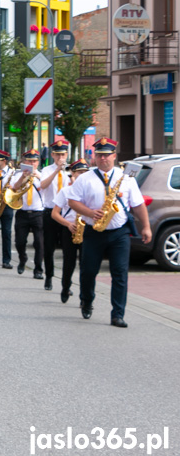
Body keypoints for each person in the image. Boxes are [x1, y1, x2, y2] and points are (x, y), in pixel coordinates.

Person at [66, 138, 152, 327]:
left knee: (120, 273)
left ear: (114, 156)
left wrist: (146, 226)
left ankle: (117, 314)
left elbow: (137, 205)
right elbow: (72, 201)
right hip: (93, 232)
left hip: (119, 232)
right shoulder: (84, 178)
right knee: (89, 271)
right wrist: (89, 212)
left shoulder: (126, 178)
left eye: (107, 155)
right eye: (99, 155)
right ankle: (87, 301)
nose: (103, 158)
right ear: (94, 157)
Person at [51, 159, 89, 304]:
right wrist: (68, 224)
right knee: (69, 262)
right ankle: (65, 287)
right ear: (72, 173)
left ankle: (84, 297)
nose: (82, 175)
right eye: (80, 172)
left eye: (85, 172)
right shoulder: (66, 191)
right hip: (70, 229)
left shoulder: (89, 190)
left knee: (86, 265)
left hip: (86, 229)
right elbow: (54, 214)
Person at [38, 139, 70, 292]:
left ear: (67, 154)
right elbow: (42, 185)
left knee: (67, 249)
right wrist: (57, 170)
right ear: (52, 155)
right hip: (50, 212)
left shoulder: (71, 171)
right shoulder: (47, 170)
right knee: (49, 247)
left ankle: (66, 283)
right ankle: (49, 276)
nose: (60, 158)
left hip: (67, 214)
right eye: (57, 155)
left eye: (62, 154)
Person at [12, 149, 46, 282]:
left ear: (38, 162)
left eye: (35, 161)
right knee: (20, 242)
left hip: (38, 212)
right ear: (25, 162)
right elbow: (14, 188)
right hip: (22, 212)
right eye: (29, 161)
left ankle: (38, 269)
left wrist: (38, 176)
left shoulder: (42, 175)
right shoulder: (18, 174)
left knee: (39, 242)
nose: (32, 163)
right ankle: (22, 259)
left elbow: (47, 187)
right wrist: (23, 176)